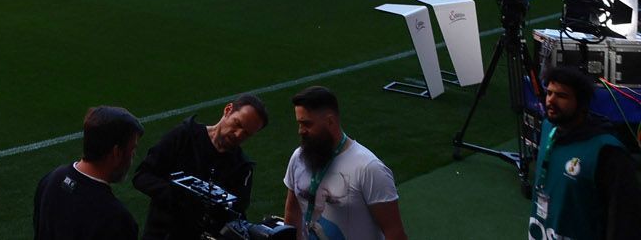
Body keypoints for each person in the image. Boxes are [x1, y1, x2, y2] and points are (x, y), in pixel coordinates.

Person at [134, 94, 269, 240]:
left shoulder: (242, 168)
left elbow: (237, 215)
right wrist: (179, 198)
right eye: (238, 124)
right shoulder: (184, 136)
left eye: (247, 134)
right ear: (228, 110)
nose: (238, 134)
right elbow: (142, 176)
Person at [529, 66, 641, 240]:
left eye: (561, 96)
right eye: (549, 93)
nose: (550, 101)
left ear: (581, 103)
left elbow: (624, 220)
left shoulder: (607, 151)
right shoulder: (548, 127)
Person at [282, 86, 406, 240]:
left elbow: (395, 233)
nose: (300, 131)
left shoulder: (369, 168)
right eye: (299, 124)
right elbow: (292, 210)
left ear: (330, 121)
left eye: (307, 124)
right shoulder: (299, 157)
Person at [35, 106, 143, 240]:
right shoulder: (117, 220)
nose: (134, 156)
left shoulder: (51, 179)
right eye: (132, 149)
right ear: (116, 153)